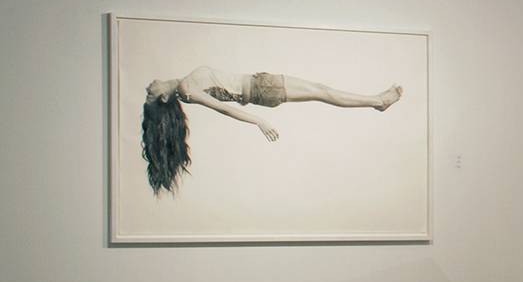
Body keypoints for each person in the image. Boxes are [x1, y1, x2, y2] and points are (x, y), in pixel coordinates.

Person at [141, 66, 402, 195]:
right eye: (150, 96)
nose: (147, 89)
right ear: (163, 98)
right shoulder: (186, 89)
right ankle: (378, 102)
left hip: (260, 85)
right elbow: (223, 108)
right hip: (262, 89)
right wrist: (258, 121)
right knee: (323, 91)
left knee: (322, 91)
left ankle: (376, 100)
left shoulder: (185, 87)